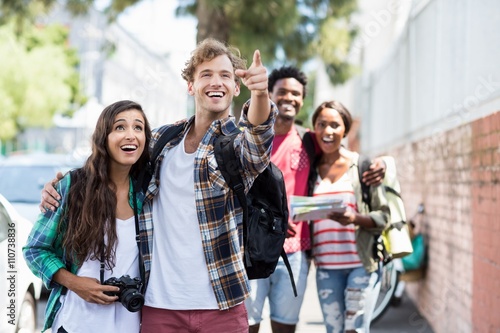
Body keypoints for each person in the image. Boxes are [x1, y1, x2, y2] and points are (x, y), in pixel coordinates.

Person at [39, 38, 277, 333]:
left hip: (222, 304)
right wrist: (63, 185)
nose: (216, 82)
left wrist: (261, 93)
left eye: (225, 75)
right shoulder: (163, 141)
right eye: (206, 74)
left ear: (236, 87)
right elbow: (113, 161)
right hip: (158, 306)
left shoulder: (236, 147)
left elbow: (258, 138)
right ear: (190, 86)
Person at [245, 66, 387, 333]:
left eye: (296, 93)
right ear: (271, 94)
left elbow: (342, 154)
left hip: (296, 250)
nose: (289, 97)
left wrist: (384, 163)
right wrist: (265, 220)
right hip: (251, 249)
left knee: (285, 326)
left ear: (302, 99)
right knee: (248, 324)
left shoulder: (309, 140)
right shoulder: (249, 139)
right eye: (282, 91)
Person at [23, 100, 152, 333]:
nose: (131, 135)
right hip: (75, 323)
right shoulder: (73, 187)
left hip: (129, 326)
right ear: (104, 137)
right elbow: (34, 249)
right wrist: (75, 284)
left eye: (138, 127)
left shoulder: (147, 193)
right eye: (120, 127)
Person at [307, 100, 390, 333]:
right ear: (315, 128)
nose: (328, 131)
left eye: (335, 125)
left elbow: (383, 217)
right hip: (326, 267)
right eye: (322, 124)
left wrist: (354, 219)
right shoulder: (311, 169)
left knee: (354, 330)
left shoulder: (362, 166)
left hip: (360, 265)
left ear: (345, 129)